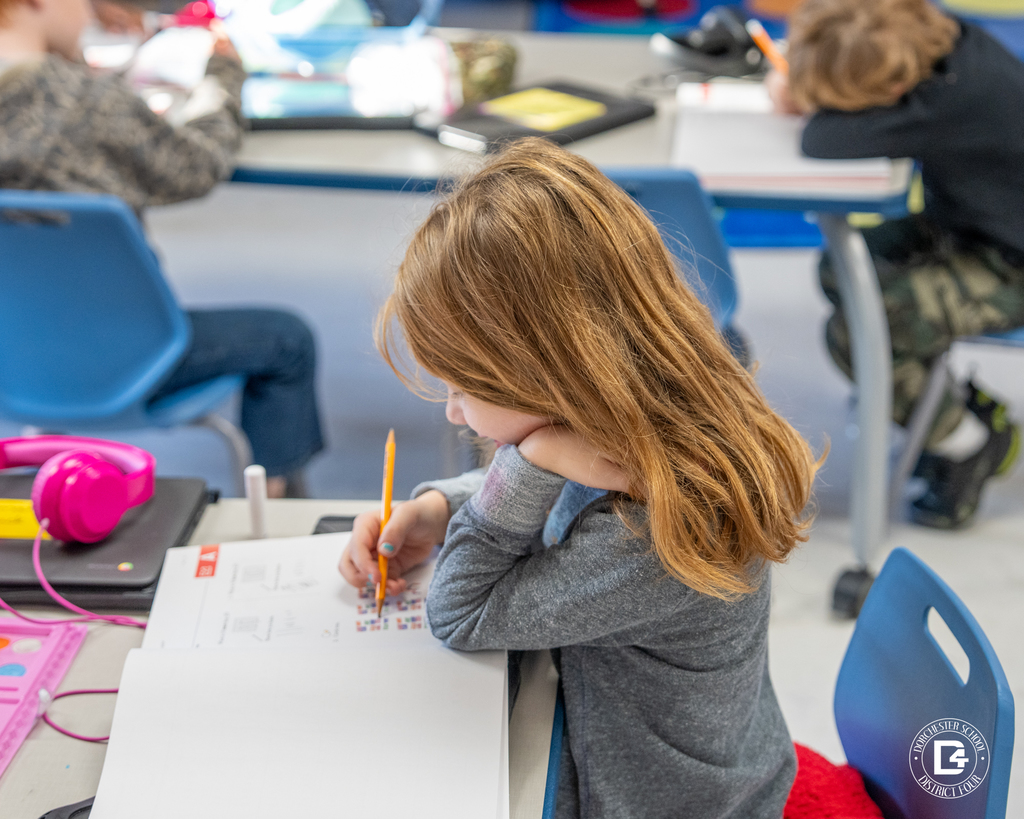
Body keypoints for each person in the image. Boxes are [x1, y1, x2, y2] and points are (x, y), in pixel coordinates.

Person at [338, 139, 822, 818]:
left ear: (549, 374)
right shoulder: (645, 420)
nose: (451, 409)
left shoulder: (655, 536)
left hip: (670, 804)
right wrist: (441, 507)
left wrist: (527, 462)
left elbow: (461, 611)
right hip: (640, 747)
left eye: (464, 386)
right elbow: (566, 506)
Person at [0, 0, 323, 496]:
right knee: (287, 340)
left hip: (12, 362)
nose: (89, 12)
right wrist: (223, 74)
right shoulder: (87, 105)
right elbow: (195, 164)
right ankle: (279, 513)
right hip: (130, 359)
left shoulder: (71, 99)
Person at [766, 0, 1024, 528]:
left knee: (855, 332)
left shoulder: (948, 104)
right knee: (844, 268)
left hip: (1010, 264)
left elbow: (823, 139)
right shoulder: (950, 42)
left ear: (887, 92)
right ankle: (926, 394)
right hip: (972, 222)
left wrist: (794, 97)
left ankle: (970, 442)